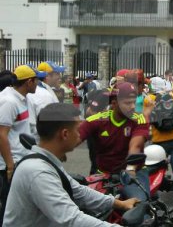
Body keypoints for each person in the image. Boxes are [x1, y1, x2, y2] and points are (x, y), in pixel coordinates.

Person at [3, 103, 138, 226]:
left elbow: (78, 191)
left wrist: (120, 204)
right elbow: (71, 219)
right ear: (65, 134)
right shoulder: (38, 172)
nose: (80, 135)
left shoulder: (47, 161)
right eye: (78, 130)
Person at [79, 82, 151, 201]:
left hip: (134, 173)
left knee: (140, 207)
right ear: (114, 104)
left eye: (134, 102)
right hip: (103, 174)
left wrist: (131, 169)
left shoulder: (139, 119)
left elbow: (135, 146)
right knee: (85, 205)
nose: (133, 106)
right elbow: (74, 137)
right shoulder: (98, 120)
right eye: (128, 103)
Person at [0, 65, 38, 225]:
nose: (38, 84)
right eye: (36, 80)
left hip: (20, 160)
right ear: (29, 82)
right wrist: (10, 166)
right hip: (10, 165)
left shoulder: (23, 98)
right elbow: (1, 134)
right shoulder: (9, 101)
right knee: (9, 206)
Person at [27, 62, 63, 141]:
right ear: (47, 76)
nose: (60, 77)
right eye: (57, 74)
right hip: (43, 142)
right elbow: (47, 123)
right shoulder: (42, 94)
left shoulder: (45, 90)